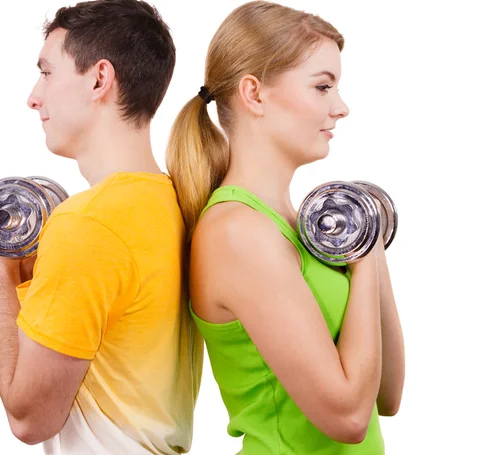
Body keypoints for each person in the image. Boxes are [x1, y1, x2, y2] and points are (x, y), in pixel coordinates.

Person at [165, 1, 405, 454]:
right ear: (254, 94)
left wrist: (368, 248)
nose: (341, 107)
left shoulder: (300, 228)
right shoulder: (238, 233)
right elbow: (348, 418)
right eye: (322, 87)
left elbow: (385, 396)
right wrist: (366, 263)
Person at [0, 1, 203, 454]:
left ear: (99, 79)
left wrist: (1, 271)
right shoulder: (175, 203)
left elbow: (29, 420)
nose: (33, 96)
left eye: (46, 72)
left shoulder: (88, 224)